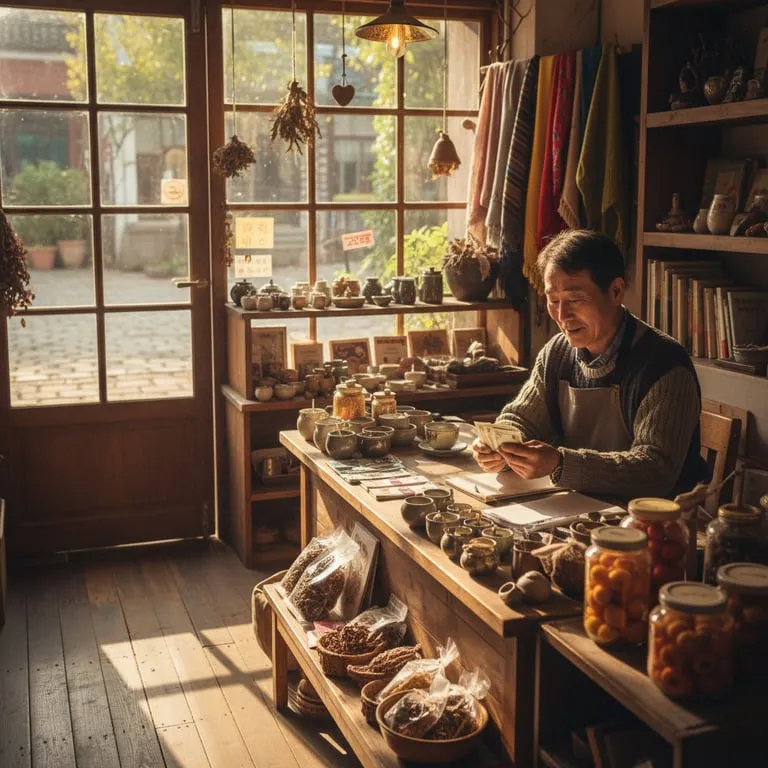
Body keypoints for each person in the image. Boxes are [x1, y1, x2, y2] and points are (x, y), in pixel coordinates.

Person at [472, 229, 707, 500]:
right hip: (579, 509)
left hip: (653, 524)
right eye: (553, 300)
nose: (562, 316)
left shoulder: (663, 365)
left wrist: (561, 463)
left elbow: (655, 470)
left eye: (575, 300)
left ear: (616, 291)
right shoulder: (557, 353)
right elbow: (522, 418)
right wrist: (498, 444)